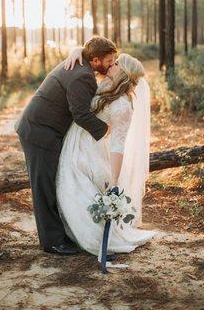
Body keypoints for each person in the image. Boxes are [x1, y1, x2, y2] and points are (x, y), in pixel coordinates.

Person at [15, 36, 117, 255]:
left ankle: (57, 235)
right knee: (44, 187)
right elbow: (80, 114)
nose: (111, 64)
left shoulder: (80, 61)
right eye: (109, 60)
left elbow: (83, 50)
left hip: (42, 129)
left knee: (49, 183)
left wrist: (78, 49)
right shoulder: (83, 77)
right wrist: (104, 129)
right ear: (96, 59)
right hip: (39, 132)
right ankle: (52, 242)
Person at [56, 52, 156, 261]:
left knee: (76, 190)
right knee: (69, 189)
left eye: (117, 64)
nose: (112, 64)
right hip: (75, 142)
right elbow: (92, 54)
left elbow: (118, 146)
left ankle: (94, 238)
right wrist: (77, 51)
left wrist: (115, 179)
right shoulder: (107, 85)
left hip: (90, 149)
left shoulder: (123, 106)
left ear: (124, 73)